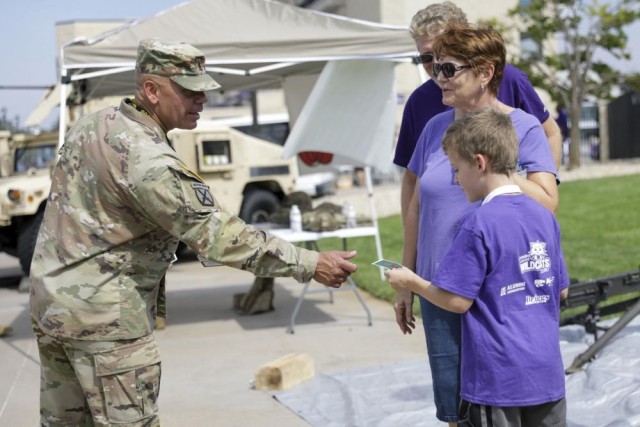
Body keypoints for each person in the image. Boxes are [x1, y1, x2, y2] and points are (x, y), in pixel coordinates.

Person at [29, 39, 358, 426]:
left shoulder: (93, 125)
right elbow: (218, 235)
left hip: (54, 308)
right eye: (189, 90)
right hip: (107, 325)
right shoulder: (147, 159)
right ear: (151, 90)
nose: (201, 98)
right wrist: (309, 262)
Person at [396, 25, 559, 425]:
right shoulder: (435, 128)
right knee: (455, 410)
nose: (438, 78)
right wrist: (407, 281)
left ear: (485, 72)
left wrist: (498, 166)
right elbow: (417, 204)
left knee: (508, 406)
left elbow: (548, 204)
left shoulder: (523, 127)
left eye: (448, 69)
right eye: (433, 66)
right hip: (441, 290)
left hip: (500, 296)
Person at [394, 1, 562, 226]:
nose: (436, 65)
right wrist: (413, 243)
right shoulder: (419, 103)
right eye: (426, 58)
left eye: (443, 56)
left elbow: (550, 134)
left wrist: (537, 186)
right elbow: (411, 180)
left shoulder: (508, 79)